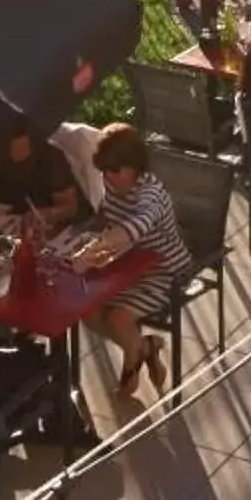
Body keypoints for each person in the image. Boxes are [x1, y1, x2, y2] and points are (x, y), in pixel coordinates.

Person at [79, 122, 192, 400]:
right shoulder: (112, 183)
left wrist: (95, 250)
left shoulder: (149, 195)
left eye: (115, 170)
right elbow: (106, 216)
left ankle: (131, 368)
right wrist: (85, 238)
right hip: (128, 263)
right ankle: (144, 347)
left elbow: (135, 226)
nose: (109, 176)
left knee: (118, 318)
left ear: (134, 166)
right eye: (104, 170)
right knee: (88, 312)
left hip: (164, 271)